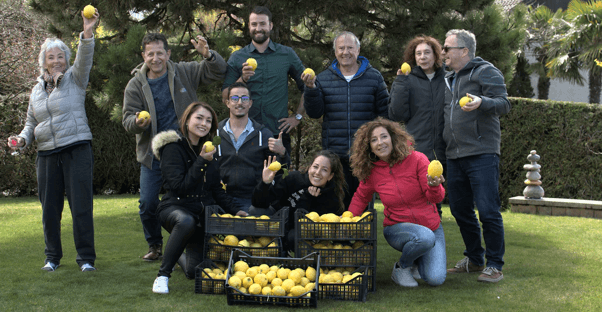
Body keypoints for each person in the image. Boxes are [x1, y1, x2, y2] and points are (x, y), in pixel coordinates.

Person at [7, 9, 100, 272]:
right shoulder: (36, 91)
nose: (56, 60)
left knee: (81, 206)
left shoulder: (75, 78)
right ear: (44, 62)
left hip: (77, 148)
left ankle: (86, 260)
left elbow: (85, 57)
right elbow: (30, 123)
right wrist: (21, 140)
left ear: (66, 60)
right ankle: (52, 258)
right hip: (46, 153)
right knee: (49, 210)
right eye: (51, 57)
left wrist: (88, 32)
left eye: (61, 56)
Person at [122, 32, 227, 261]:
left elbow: (218, 71)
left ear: (168, 53)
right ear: (144, 56)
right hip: (153, 154)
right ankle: (155, 245)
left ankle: (190, 241)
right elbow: (127, 120)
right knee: (147, 203)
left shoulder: (184, 71)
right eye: (151, 54)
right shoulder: (135, 85)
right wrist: (139, 123)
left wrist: (208, 55)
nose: (156, 58)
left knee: (191, 197)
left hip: (185, 153)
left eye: (160, 53)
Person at [150, 102, 247, 294]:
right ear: (187, 120)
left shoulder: (209, 151)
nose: (204, 123)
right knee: (186, 222)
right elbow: (179, 187)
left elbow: (216, 190)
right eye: (199, 118)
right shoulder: (172, 148)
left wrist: (237, 210)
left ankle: (176, 251)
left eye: (209, 121)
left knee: (194, 271)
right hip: (174, 208)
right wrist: (202, 161)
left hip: (200, 216)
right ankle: (162, 276)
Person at [441, 29, 510, 283]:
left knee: (488, 210)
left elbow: (504, 103)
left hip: (482, 153)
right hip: (454, 155)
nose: (443, 52)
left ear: (464, 51)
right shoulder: (449, 78)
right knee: (460, 210)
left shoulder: (486, 71)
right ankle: (474, 257)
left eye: (447, 48)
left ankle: (494, 265)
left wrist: (482, 101)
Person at [347, 118, 446, 287]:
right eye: (374, 140)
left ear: (393, 138)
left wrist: (434, 186)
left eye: (384, 136)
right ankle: (402, 267)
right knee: (424, 238)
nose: (380, 143)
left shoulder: (417, 159)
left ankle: (416, 259)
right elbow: (360, 198)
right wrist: (346, 221)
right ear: (369, 146)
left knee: (435, 278)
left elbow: (435, 199)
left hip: (431, 227)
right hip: (397, 228)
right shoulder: (371, 172)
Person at [303, 31, 389, 208]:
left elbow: (385, 114)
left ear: (358, 50)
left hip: (364, 153)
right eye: (341, 48)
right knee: (337, 203)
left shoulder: (374, 77)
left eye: (350, 47)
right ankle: (339, 237)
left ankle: (363, 237)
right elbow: (314, 112)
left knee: (363, 204)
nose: (345, 52)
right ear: (335, 52)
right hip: (335, 154)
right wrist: (311, 89)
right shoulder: (323, 78)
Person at [221, 6, 306, 155]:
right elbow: (225, 96)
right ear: (249, 26)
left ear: (270, 26)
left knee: (279, 176)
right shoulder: (237, 57)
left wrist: (297, 117)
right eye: (254, 24)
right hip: (245, 134)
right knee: (246, 179)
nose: (258, 28)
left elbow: (308, 87)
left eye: (262, 24)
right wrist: (242, 79)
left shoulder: (287, 54)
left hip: (277, 133)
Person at [388, 35, 447, 217]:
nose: (423, 57)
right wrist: (400, 82)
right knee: (420, 197)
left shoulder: (448, 77)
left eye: (427, 52)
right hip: (418, 148)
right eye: (418, 53)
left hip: (445, 148)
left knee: (439, 197)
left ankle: (435, 235)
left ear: (436, 55)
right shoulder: (408, 79)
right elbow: (396, 114)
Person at [216, 82, 289, 213]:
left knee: (246, 230)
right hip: (222, 198)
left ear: (250, 103)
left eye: (244, 98)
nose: (239, 102)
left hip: (252, 200)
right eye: (234, 98)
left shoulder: (263, 134)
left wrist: (282, 153)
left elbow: (282, 172)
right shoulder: (215, 134)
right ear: (227, 103)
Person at [252, 150, 346, 252]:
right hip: (279, 223)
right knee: (254, 211)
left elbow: (306, 226)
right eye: (315, 167)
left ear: (330, 176)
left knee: (296, 236)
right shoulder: (292, 179)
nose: (317, 172)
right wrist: (265, 183)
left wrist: (309, 198)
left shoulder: (331, 196)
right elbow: (258, 203)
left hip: (303, 237)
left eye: (324, 170)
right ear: (309, 167)